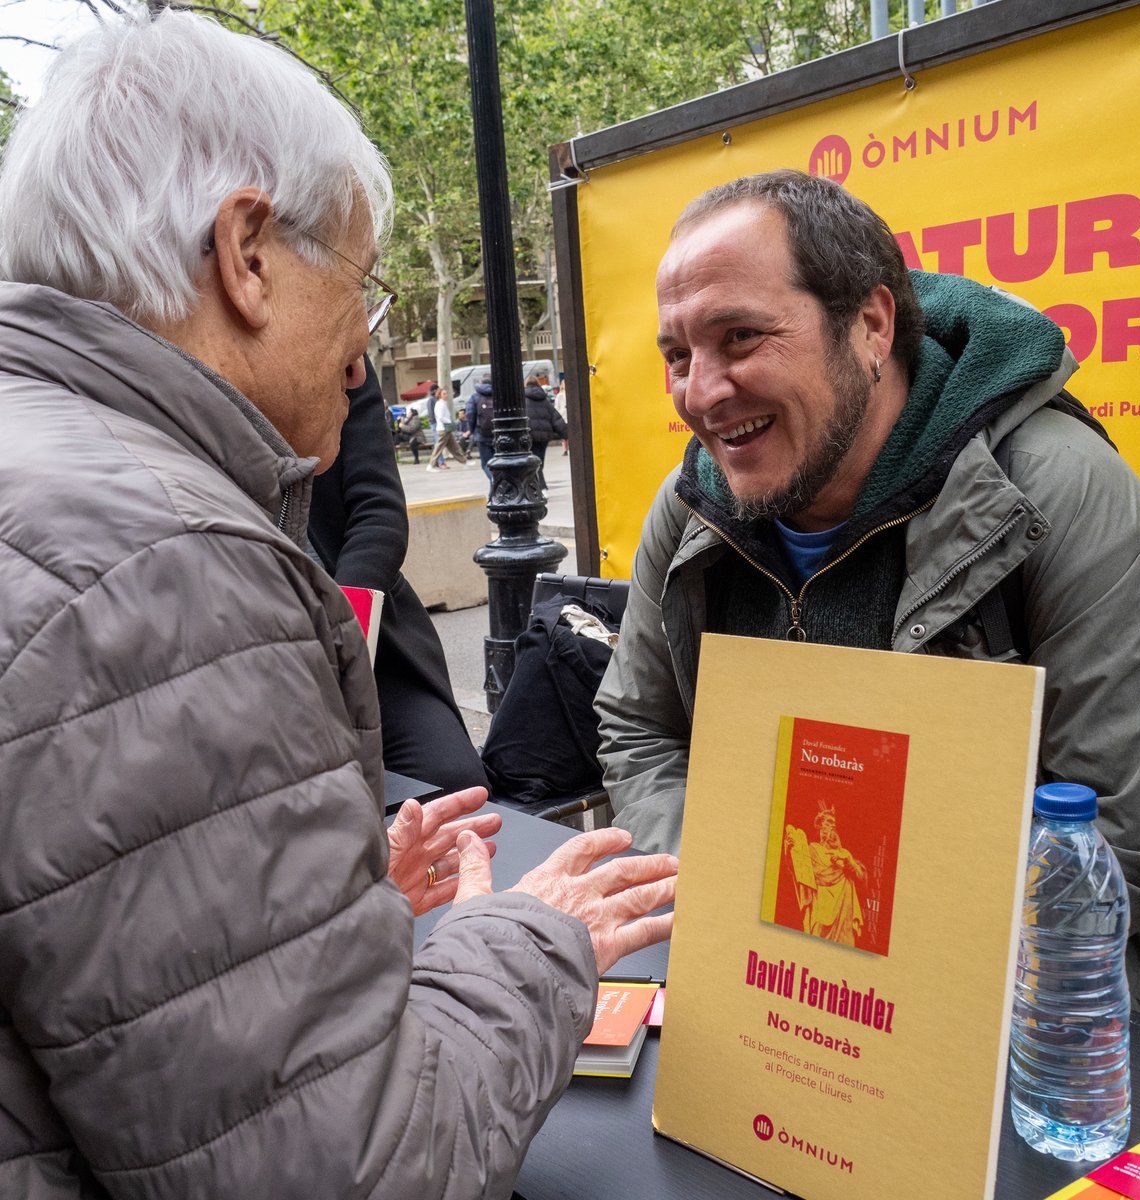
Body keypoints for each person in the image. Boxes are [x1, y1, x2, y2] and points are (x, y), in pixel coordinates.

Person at [0, 12, 677, 1197]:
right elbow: (347, 1169)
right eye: (359, 290)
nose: (362, 355)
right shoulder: (171, 568)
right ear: (247, 250)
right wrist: (528, 937)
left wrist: (312, 898)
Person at [594, 169, 1140, 1028]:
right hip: (775, 990)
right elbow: (640, 726)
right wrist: (723, 890)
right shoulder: (693, 503)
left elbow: (1136, 842)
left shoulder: (1061, 498)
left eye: (740, 337)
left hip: (1051, 1024)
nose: (702, 391)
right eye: (678, 356)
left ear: (871, 324)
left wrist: (824, 930)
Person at [309, 358, 489, 791]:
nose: (354, 371)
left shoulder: (342, 354)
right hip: (251, 650)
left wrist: (345, 637)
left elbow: (379, 510)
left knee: (455, 785)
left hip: (369, 640)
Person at [784, 808, 865, 946]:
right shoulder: (812, 849)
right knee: (817, 934)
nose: (833, 825)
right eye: (829, 822)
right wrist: (788, 849)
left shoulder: (844, 853)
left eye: (834, 823)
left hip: (844, 906)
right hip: (821, 902)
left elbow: (861, 878)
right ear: (820, 825)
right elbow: (797, 869)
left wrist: (849, 862)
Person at [525, 373, 568, 495]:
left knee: (532, 462)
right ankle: (538, 487)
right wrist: (566, 434)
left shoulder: (523, 399)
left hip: (529, 435)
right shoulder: (543, 399)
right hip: (544, 436)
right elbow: (556, 418)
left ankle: (542, 488)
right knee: (539, 462)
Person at [428, 384, 467, 471]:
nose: (446, 395)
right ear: (439, 395)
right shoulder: (440, 404)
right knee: (439, 448)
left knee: (454, 447)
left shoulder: (442, 403)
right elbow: (441, 417)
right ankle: (431, 465)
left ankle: (464, 461)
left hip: (446, 429)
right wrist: (450, 422)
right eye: (444, 394)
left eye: (446, 393)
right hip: (443, 429)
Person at [467, 372, 497, 481]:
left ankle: (494, 481)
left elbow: (470, 415)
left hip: (482, 435)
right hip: (498, 434)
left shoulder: (475, 397)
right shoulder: (498, 395)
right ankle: (497, 484)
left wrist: (472, 430)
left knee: (486, 464)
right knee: (499, 462)